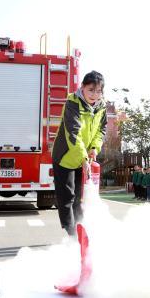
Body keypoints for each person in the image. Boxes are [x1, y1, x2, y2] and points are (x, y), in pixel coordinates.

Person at [52, 71, 107, 237]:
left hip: (84, 158)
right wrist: (83, 157)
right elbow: (73, 133)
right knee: (67, 196)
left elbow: (101, 130)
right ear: (82, 87)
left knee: (79, 198)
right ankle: (71, 233)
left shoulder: (101, 106)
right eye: (91, 90)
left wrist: (94, 149)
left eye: (99, 91)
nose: (95, 95)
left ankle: (80, 230)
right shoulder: (72, 103)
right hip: (65, 157)